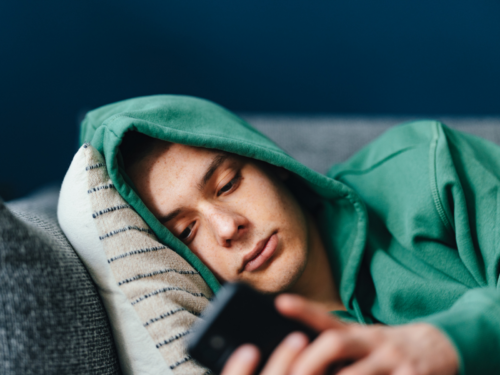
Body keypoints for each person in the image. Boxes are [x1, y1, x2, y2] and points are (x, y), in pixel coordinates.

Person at [81, 95, 500, 375]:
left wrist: (448, 342)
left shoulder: (425, 166)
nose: (228, 227)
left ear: (270, 162)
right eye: (187, 231)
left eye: (228, 184)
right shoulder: (261, 362)